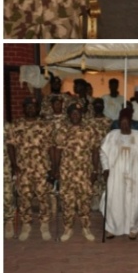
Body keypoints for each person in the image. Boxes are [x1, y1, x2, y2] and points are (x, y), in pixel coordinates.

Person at [51, 102, 100, 242]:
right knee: (67, 201)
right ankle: (68, 228)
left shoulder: (90, 130)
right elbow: (57, 151)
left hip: (85, 172)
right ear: (69, 115)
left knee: (85, 200)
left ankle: (86, 228)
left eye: (78, 113)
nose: (75, 115)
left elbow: (95, 151)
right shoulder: (62, 131)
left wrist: (95, 170)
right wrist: (56, 170)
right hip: (67, 172)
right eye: (72, 113)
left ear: (81, 115)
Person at [100, 109, 138, 240]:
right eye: (121, 122)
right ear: (118, 122)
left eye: (126, 122)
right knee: (114, 200)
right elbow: (103, 153)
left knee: (133, 201)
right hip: (115, 174)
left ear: (130, 122)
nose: (124, 125)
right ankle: (111, 228)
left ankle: (133, 228)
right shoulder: (112, 135)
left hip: (134, 175)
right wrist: (105, 168)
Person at [7, 97, 53, 241]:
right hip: (23, 168)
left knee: (43, 197)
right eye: (28, 106)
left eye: (33, 106)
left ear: (37, 109)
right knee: (24, 197)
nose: (31, 109)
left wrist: (52, 167)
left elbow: (51, 147)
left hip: (41, 167)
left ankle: (44, 224)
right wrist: (14, 165)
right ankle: (26, 224)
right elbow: (11, 145)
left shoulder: (45, 125)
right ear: (24, 108)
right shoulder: (17, 125)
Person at [90, 98, 112, 210]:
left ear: (103, 106)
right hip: (91, 153)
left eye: (100, 105)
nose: (98, 106)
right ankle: (95, 199)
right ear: (93, 107)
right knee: (94, 175)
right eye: (96, 105)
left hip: (105, 153)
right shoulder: (88, 121)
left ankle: (104, 200)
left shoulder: (109, 121)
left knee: (104, 177)